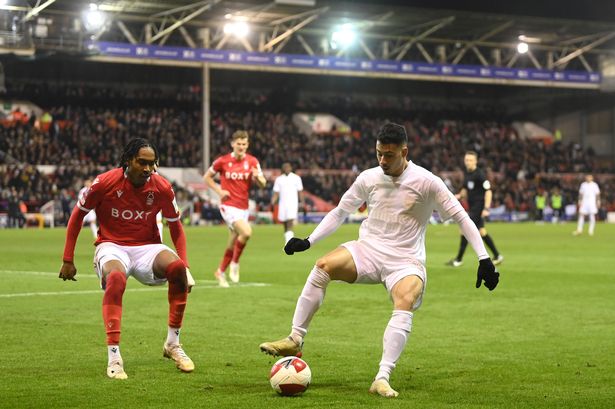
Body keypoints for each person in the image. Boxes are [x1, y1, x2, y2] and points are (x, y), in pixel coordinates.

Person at [259, 123, 500, 398]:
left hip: (405, 260)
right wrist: (309, 241)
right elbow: (340, 211)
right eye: (378, 154)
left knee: (405, 299)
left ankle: (382, 377)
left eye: (389, 155)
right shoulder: (368, 178)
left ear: (404, 152)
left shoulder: (427, 181)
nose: (382, 161)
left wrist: (484, 259)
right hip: (368, 250)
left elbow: (461, 217)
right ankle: (295, 338)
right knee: (323, 266)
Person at [59, 138, 196, 380]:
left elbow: (176, 227)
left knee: (175, 268)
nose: (147, 169)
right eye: (141, 162)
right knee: (116, 278)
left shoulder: (162, 187)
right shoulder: (105, 183)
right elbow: (77, 217)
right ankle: (114, 357)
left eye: (151, 164)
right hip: (112, 246)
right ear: (127, 160)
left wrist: (185, 265)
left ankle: (172, 344)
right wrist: (68, 259)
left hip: (147, 247)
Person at [204, 130, 266, 287]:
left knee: (232, 242)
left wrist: (257, 177)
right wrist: (219, 191)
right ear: (233, 144)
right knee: (246, 232)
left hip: (243, 207)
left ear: (247, 145)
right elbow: (207, 177)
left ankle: (220, 272)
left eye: (244, 144)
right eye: (238, 143)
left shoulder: (252, 161)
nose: (241, 146)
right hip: (228, 205)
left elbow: (263, 183)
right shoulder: (222, 161)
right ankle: (235, 264)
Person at [446, 151, 503, 267]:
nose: (468, 162)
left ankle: (458, 259)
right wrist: (458, 196)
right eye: (467, 160)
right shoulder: (467, 174)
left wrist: (486, 208)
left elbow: (488, 191)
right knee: (482, 232)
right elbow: (465, 190)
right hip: (473, 207)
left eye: (471, 160)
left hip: (478, 207)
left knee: (464, 229)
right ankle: (497, 255)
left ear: (475, 161)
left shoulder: (480, 174)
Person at [271, 162, 304, 244]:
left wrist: (302, 202)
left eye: (288, 167)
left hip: (293, 203)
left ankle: (289, 242)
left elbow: (300, 191)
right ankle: (288, 240)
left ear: (291, 168)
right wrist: (272, 202)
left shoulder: (296, 178)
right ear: (282, 169)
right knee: (285, 223)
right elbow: (276, 193)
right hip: (282, 204)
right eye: (285, 167)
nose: (287, 169)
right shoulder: (279, 179)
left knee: (290, 221)